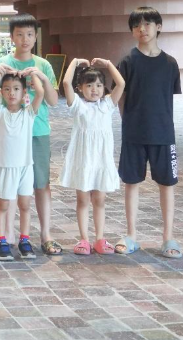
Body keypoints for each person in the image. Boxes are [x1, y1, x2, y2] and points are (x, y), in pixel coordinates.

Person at [0, 13, 61, 256]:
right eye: (19, 34)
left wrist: (40, 78)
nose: (25, 39)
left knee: (41, 183)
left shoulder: (43, 65)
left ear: (36, 36)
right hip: (11, 135)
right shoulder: (2, 63)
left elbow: (53, 100)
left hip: (37, 131)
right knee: (10, 186)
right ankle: (7, 235)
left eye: (30, 34)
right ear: (12, 37)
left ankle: (46, 234)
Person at [116, 6, 183, 258]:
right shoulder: (127, 62)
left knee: (167, 184)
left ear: (158, 27)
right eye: (136, 25)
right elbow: (120, 98)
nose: (141, 29)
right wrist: (129, 121)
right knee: (131, 183)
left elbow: (168, 97)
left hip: (164, 134)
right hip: (133, 134)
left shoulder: (170, 64)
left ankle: (168, 238)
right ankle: (131, 235)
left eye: (147, 24)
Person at [60, 59, 124, 255]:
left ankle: (100, 238)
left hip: (101, 161)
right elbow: (65, 82)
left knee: (99, 200)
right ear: (80, 88)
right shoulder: (78, 105)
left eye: (98, 85)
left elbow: (121, 83)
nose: (94, 90)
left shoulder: (107, 105)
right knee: (82, 200)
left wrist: (108, 64)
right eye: (89, 85)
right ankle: (84, 239)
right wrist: (75, 62)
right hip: (83, 161)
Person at [0, 66, 44, 262]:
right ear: (2, 92)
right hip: (6, 167)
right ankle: (1, 241)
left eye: (16, 89)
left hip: (25, 167)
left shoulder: (29, 113)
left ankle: (24, 240)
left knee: (25, 204)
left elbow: (40, 92)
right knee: (3, 204)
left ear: (24, 92)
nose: (12, 93)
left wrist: (31, 74)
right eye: (7, 89)